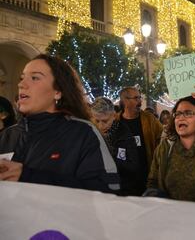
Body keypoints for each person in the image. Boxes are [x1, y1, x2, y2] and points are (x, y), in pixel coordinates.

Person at [0, 54, 119, 193]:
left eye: (35, 78)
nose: (21, 84)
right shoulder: (7, 136)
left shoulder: (83, 133)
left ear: (57, 92)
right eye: (22, 78)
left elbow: (107, 191)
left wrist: (27, 177)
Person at [91, 97, 146, 196]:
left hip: (122, 191)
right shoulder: (89, 134)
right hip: (98, 191)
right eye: (97, 121)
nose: (100, 126)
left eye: (105, 121)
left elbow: (133, 166)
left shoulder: (125, 135)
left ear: (113, 116)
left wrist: (111, 158)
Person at [118, 86, 163, 183]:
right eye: (136, 98)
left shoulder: (150, 119)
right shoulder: (115, 121)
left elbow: (162, 138)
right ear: (125, 101)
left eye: (140, 98)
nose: (140, 102)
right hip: (123, 178)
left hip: (146, 176)